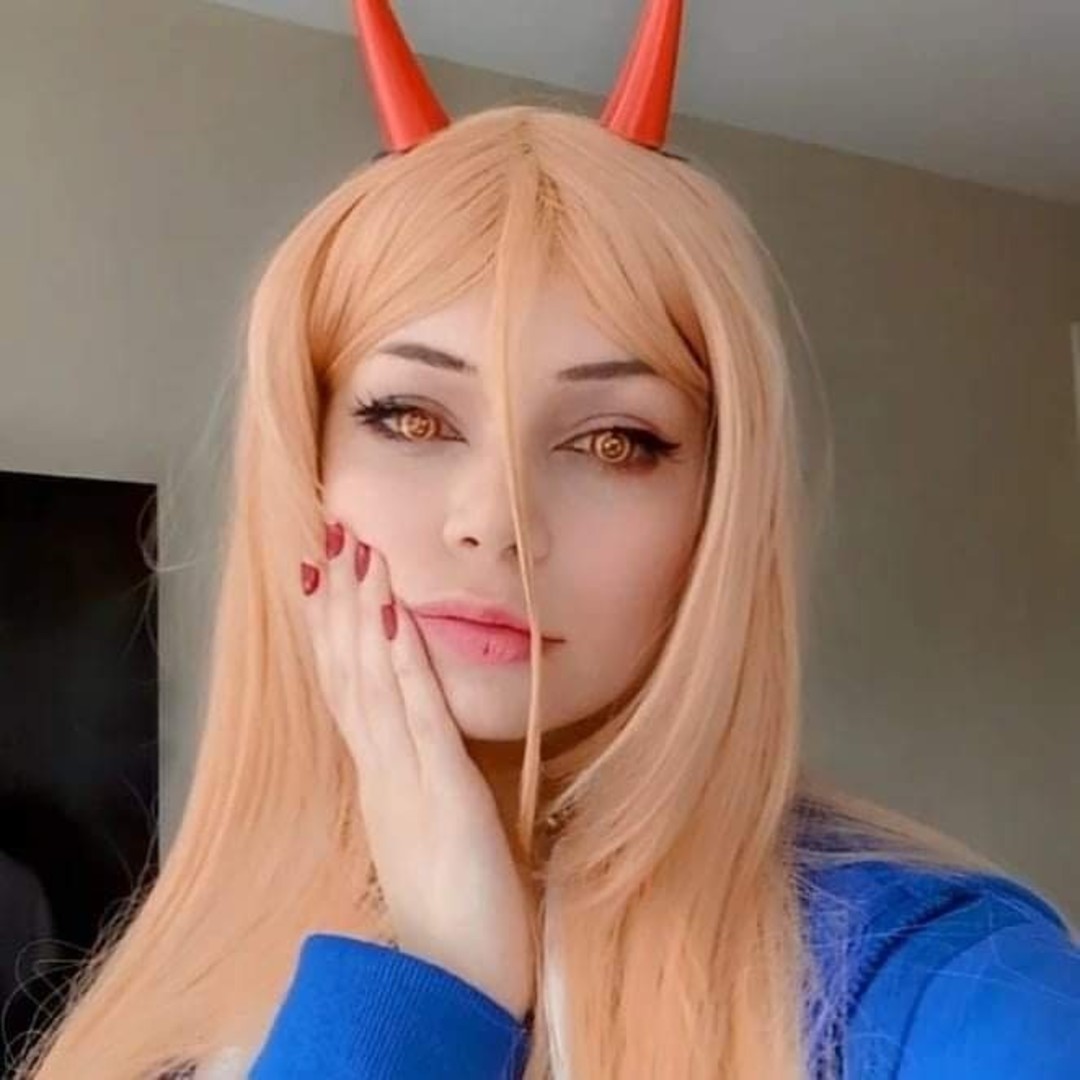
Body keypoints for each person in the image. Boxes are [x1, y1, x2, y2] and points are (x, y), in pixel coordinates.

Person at [15, 1, 1080, 1077]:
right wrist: (441, 956)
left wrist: (423, 1002)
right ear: (307, 462)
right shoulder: (182, 963)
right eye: (411, 418)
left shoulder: (953, 984)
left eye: (615, 441)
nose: (495, 522)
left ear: (719, 504)